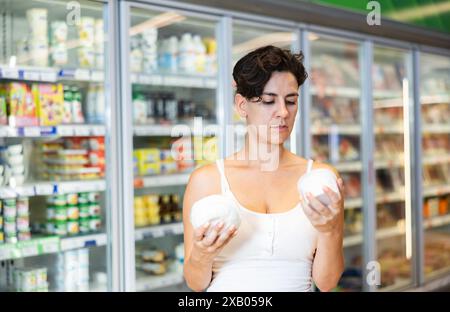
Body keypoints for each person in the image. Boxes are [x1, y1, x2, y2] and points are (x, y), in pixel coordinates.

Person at [182, 45, 345, 292]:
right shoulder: (207, 180)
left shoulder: (321, 179)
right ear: (241, 105)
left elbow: (326, 283)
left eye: (291, 101)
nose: (283, 112)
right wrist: (201, 256)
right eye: (269, 101)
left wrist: (330, 231)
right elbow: (196, 284)